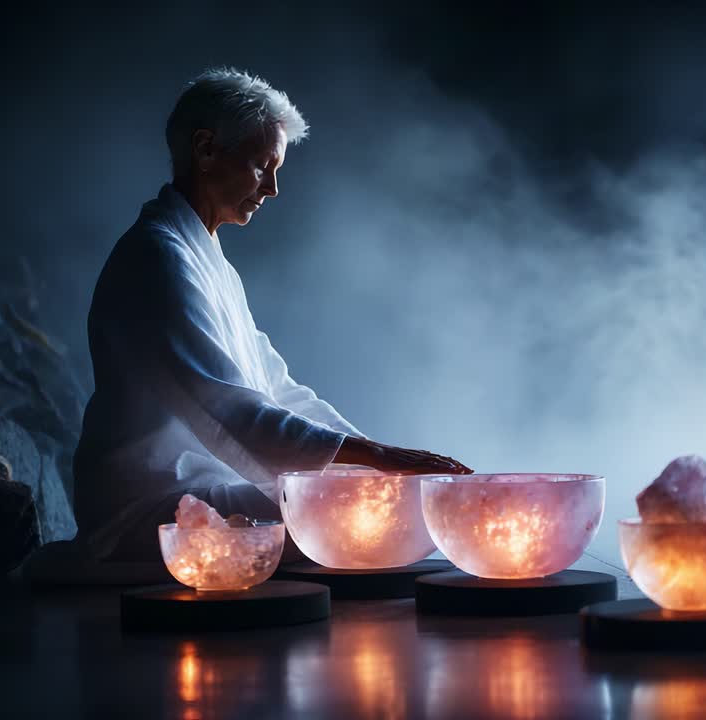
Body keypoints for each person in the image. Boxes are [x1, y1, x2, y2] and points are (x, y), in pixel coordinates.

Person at [72, 67, 470, 562]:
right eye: (263, 166)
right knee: (386, 517)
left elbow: (280, 391)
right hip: (151, 507)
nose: (273, 188)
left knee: (393, 501)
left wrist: (372, 461)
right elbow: (229, 409)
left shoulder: (209, 263)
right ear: (205, 149)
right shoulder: (157, 257)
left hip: (210, 492)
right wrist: (375, 458)